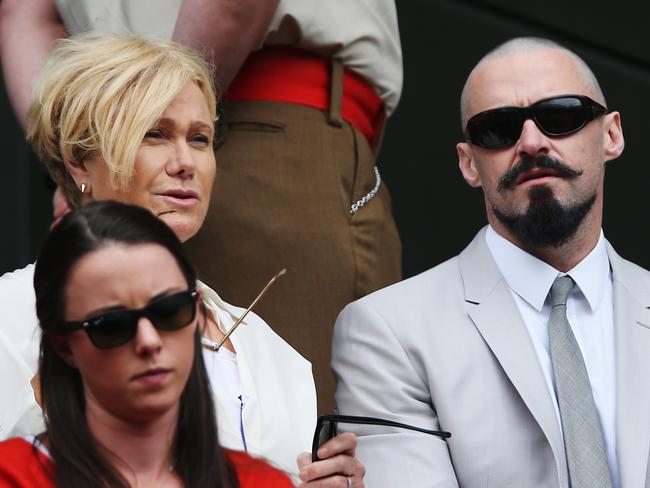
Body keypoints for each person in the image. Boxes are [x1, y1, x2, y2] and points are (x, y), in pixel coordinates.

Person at [0, 0, 403, 412]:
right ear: (78, 157)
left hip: (248, 107)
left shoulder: (267, 348)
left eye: (200, 140)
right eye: (155, 133)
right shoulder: (12, 319)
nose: (185, 164)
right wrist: (119, 121)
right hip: (238, 102)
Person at [332, 37, 650, 488]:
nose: (532, 142)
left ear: (612, 135)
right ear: (468, 164)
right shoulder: (388, 331)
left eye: (561, 115)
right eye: (499, 129)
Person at [0, 200, 294, 487]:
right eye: (112, 325)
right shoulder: (13, 476)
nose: (149, 341)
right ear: (64, 346)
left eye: (170, 311)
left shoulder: (261, 481)